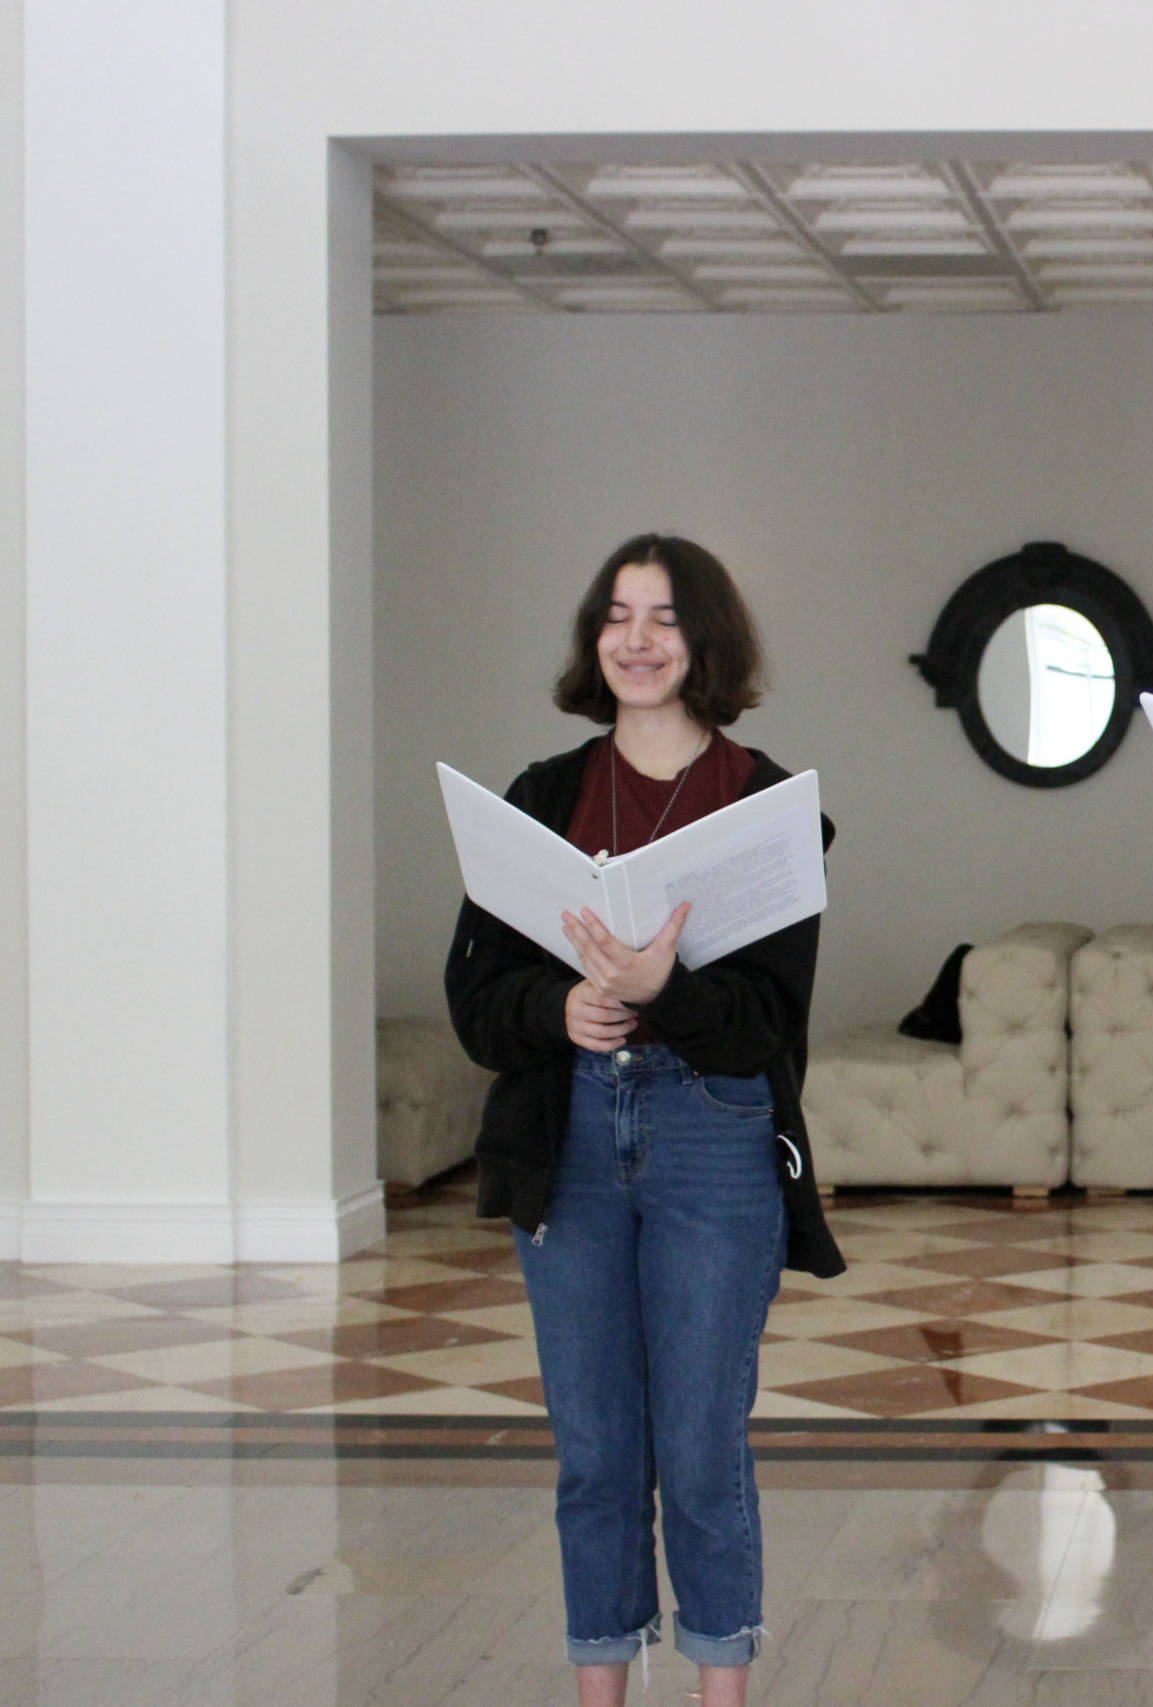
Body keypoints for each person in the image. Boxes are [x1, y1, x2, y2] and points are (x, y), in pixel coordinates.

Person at [446, 533, 843, 1707]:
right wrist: (562, 1006)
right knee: (598, 1454)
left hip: (713, 1133)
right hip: (565, 1133)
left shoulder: (768, 804)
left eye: (664, 617)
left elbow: (770, 1025)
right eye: (617, 614)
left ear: (705, 639)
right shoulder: (539, 797)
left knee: (701, 1451)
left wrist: (661, 990)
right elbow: (477, 1001)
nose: (636, 638)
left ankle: (721, 1689)